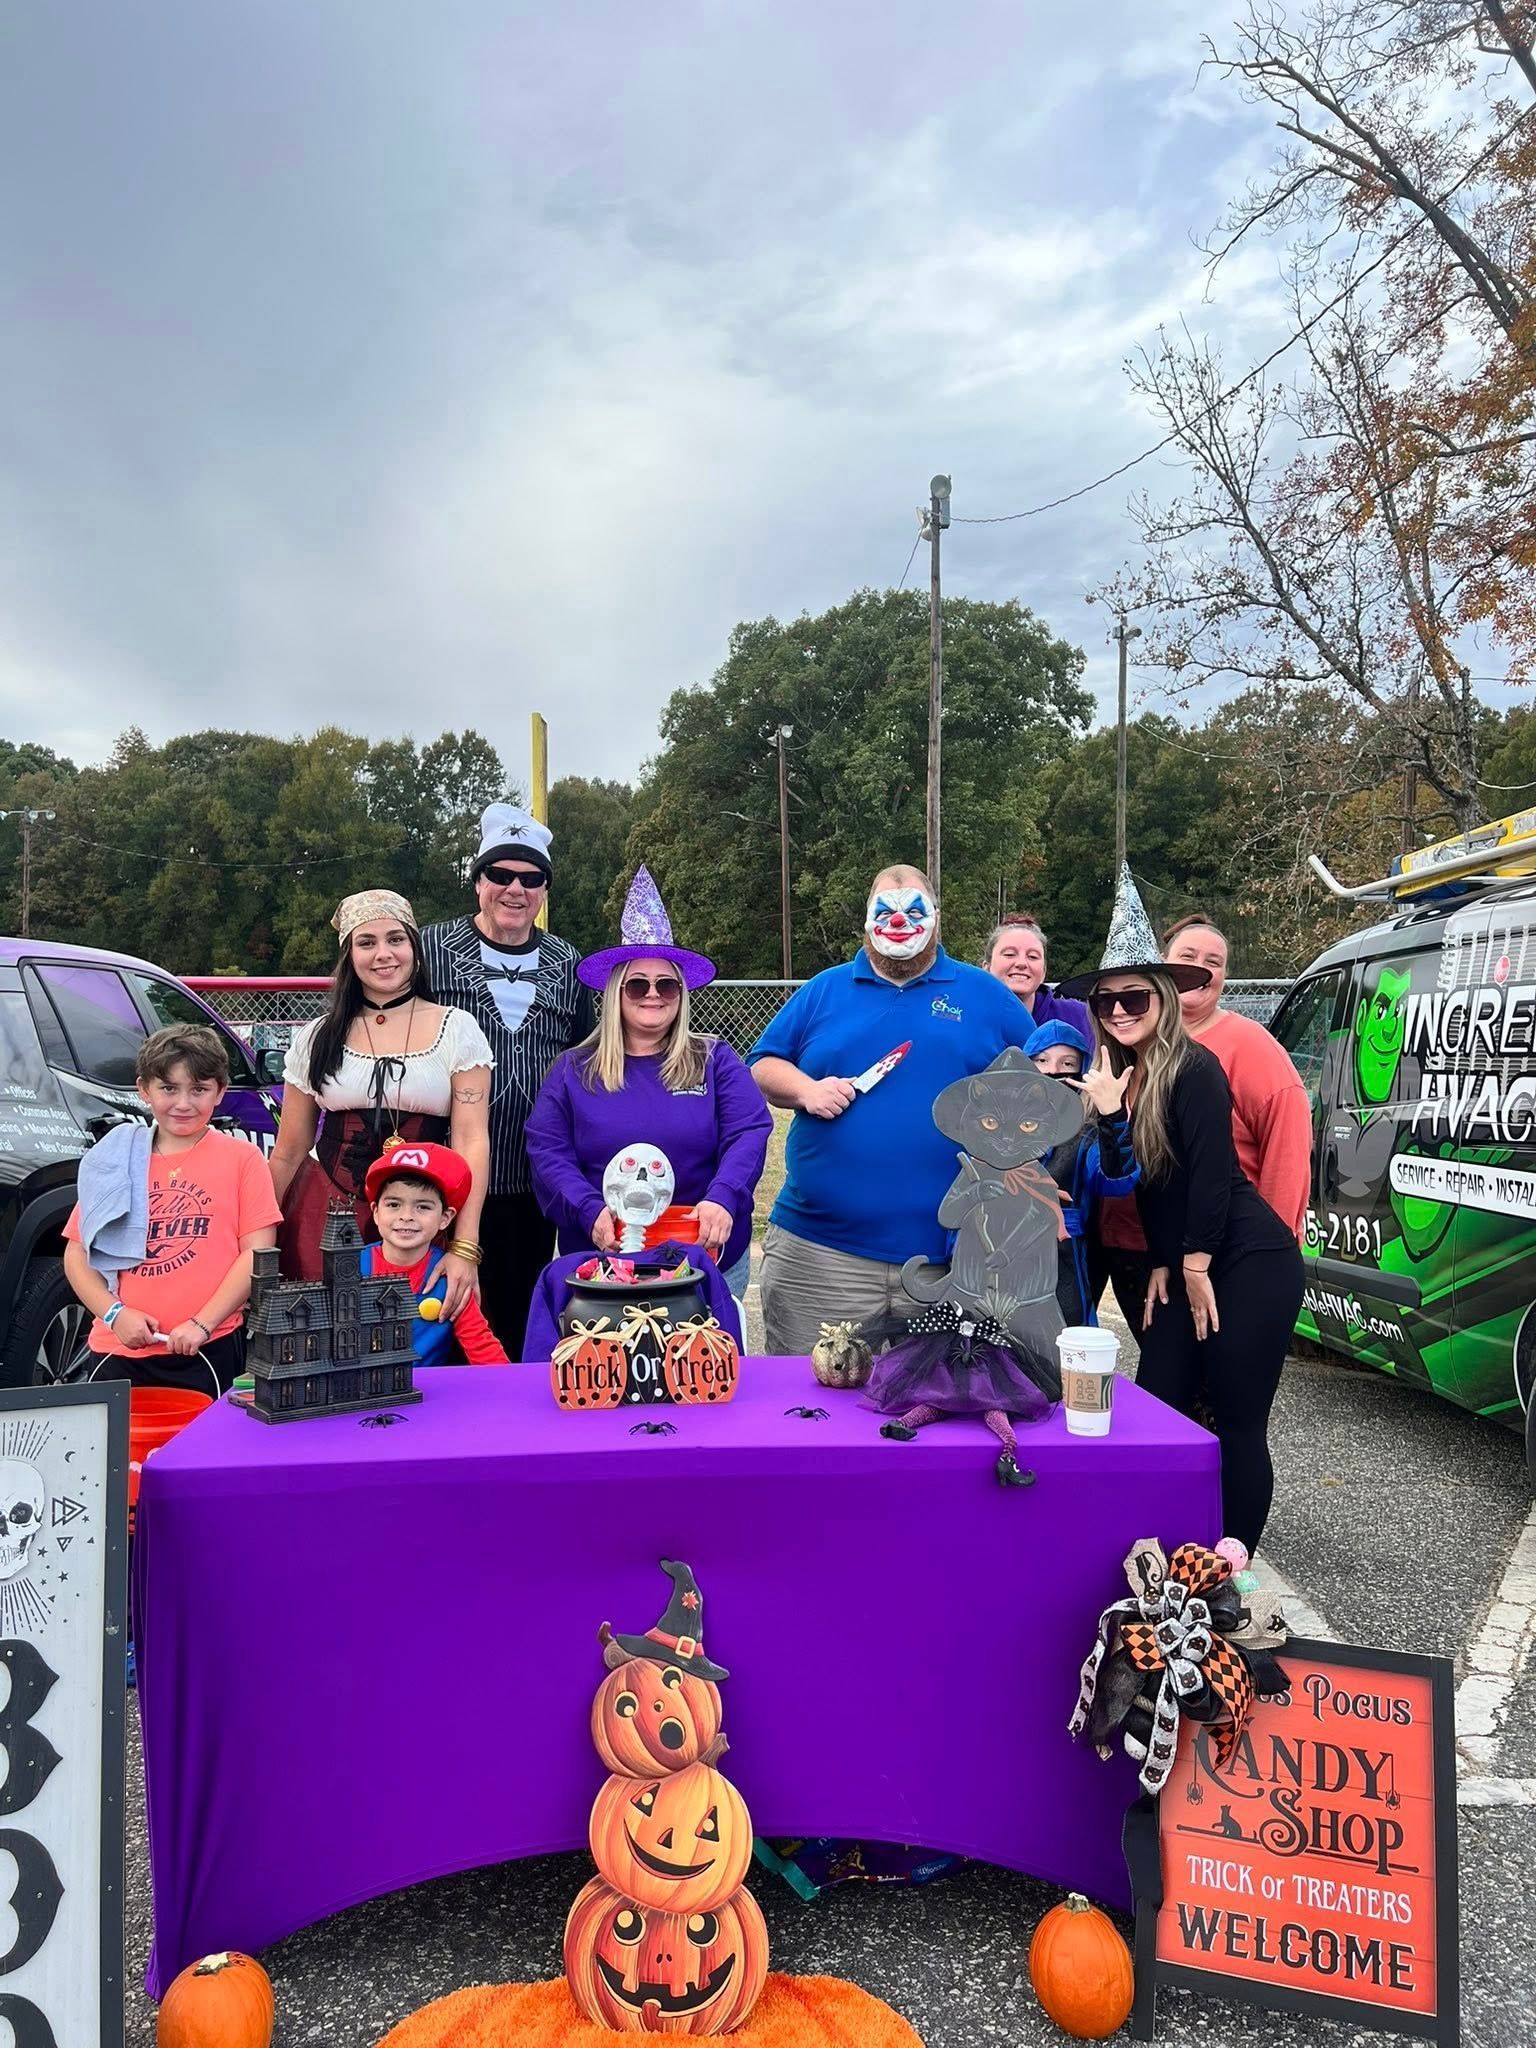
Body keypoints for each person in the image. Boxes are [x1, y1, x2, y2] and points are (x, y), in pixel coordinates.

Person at [1059, 868, 1304, 1552]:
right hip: (1185, 1262)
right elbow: (1129, 1177)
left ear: (1163, 998)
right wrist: (1169, 1261)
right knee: (1161, 1397)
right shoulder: (1118, 1077)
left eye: (1133, 997)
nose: (1117, 1010)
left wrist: (1192, 1259)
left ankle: (1230, 1562)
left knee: (1236, 1416)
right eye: (1105, 1001)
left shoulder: (1195, 1069)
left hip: (1248, 1260)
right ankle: (1162, 1543)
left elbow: (1213, 1176)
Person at [749, 862, 1033, 1356]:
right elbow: (763, 1064)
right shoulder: (825, 989)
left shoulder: (986, 996)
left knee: (939, 1414)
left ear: (938, 920)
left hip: (951, 1259)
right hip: (819, 1255)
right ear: (865, 921)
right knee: (809, 1409)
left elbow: (1042, 1079)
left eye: (914, 910)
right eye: (885, 910)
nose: (898, 922)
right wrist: (806, 1089)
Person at [526, 868, 771, 1298]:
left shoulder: (714, 1060)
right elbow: (548, 1150)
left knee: (704, 1365)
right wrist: (587, 1210)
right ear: (616, 993)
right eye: (637, 985)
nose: (653, 994)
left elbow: (748, 1132)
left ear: (681, 993)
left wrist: (724, 1197)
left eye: (667, 985)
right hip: (602, 1259)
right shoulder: (573, 1069)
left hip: (702, 1255)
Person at [270, 891, 493, 1322]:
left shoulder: (456, 1029)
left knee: (414, 1338)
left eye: (395, 939)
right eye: (366, 942)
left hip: (420, 1216)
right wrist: (255, 1239)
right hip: (325, 1212)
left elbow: (471, 1142)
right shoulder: (317, 1035)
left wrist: (466, 1247)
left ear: (414, 947)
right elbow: (289, 1150)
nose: (383, 954)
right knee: (318, 1337)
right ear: (349, 955)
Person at [420, 805, 593, 1354]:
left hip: (534, 1174)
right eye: (501, 875)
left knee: (517, 1316)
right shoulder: (429, 951)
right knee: (438, 1312)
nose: (515, 889)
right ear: (478, 883)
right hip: (446, 1171)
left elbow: (585, 1055)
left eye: (531, 878)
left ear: (544, 890)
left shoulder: (568, 962)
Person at [1097, 911, 1311, 1336]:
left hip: (1214, 1248)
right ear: (1164, 966)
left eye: (1214, 961)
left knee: (1206, 1384)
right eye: (1189, 956)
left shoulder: (1244, 1048)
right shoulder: (1123, 1047)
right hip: (1139, 1245)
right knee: (1164, 1376)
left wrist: (1267, 1248)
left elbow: (1286, 1144)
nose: (1200, 968)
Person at [63, 1024, 282, 1395]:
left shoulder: (243, 1159)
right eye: (168, 1088)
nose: (183, 1103)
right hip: (118, 1346)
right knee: (119, 1453)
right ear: (144, 1090)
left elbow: (258, 1252)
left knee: (207, 1452)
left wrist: (202, 1323)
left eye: (199, 1089)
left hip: (209, 1345)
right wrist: (114, 1314)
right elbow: (77, 1252)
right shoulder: (116, 1159)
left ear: (220, 1092)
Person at [1024, 1019, 1139, 1326]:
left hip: (1064, 1260)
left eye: (1068, 1063)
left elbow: (1117, 1181)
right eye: (1041, 1060)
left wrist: (1112, 1116)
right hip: (1001, 1253)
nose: (1052, 1071)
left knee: (1066, 1349)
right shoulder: (998, 1126)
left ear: (1082, 1071)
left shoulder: (1087, 1135)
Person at [361, 1143, 508, 1364]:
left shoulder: (451, 1277)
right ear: (375, 1212)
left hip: (426, 1392)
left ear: (445, 1218)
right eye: (393, 1204)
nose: (406, 1216)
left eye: (423, 1207)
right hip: (356, 1392)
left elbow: (481, 1345)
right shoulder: (349, 1266)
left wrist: (508, 1390)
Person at [982, 915, 1093, 1040]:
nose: (1022, 963)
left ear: (1043, 972)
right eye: (1010, 954)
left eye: (1033, 956)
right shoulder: (965, 1015)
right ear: (986, 968)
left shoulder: (1078, 1017)